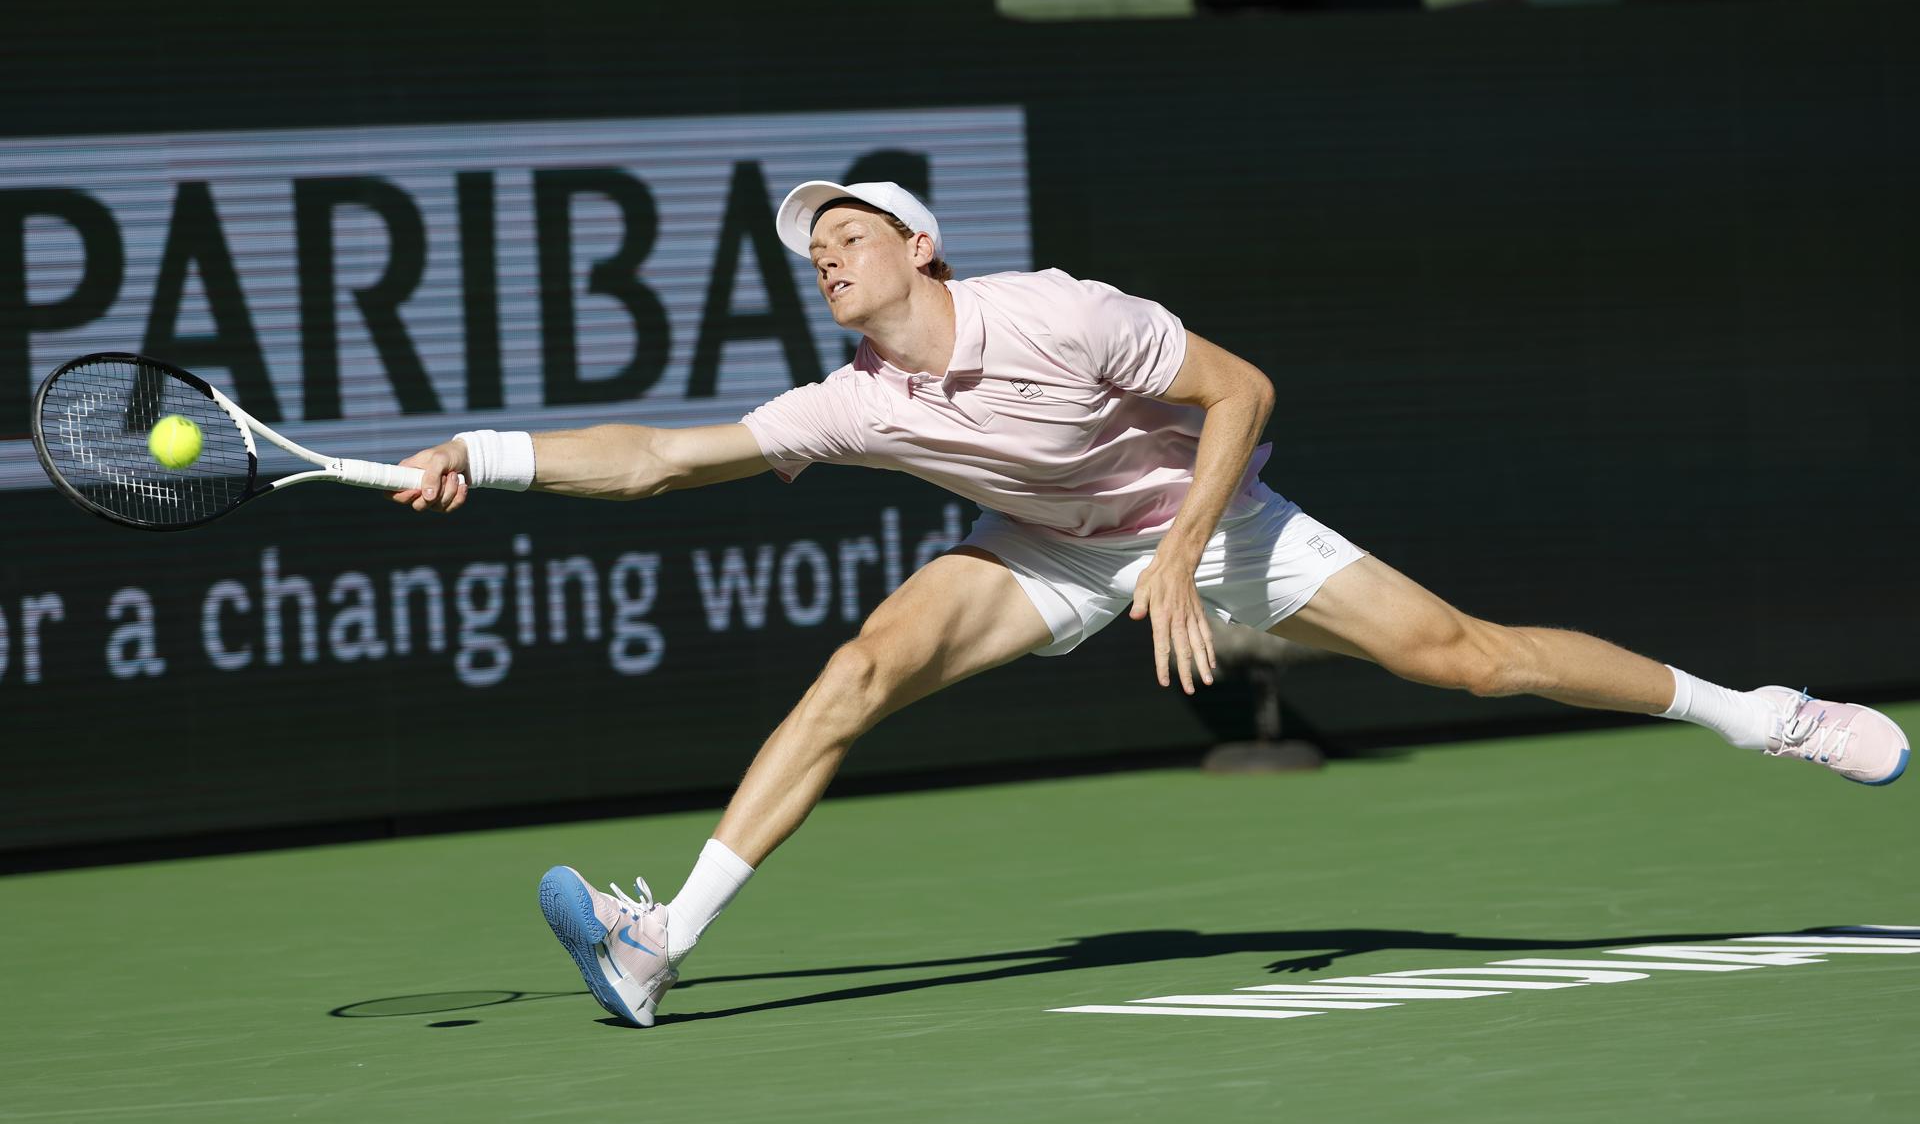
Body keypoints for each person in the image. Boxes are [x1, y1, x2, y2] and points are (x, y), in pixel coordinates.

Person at [394, 180, 1909, 1028]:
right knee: (863, 664)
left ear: (919, 245)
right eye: (813, 252)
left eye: (848, 234)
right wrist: (490, 453)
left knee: (1468, 661)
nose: (827, 259)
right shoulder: (852, 400)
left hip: (1211, 519)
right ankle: (660, 942)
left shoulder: (1061, 314)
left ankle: (1763, 716)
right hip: (1046, 551)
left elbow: (1242, 390)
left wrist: (1183, 556)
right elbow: (660, 458)